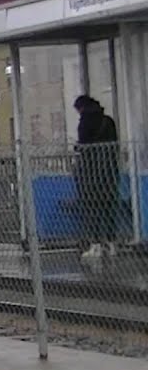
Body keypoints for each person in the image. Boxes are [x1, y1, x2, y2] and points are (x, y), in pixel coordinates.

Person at [72, 95, 120, 258]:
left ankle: (96, 245)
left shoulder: (85, 122)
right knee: (109, 208)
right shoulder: (109, 121)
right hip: (110, 172)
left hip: (91, 174)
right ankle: (112, 244)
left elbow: (84, 146)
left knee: (92, 208)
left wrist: (77, 147)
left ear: (81, 108)